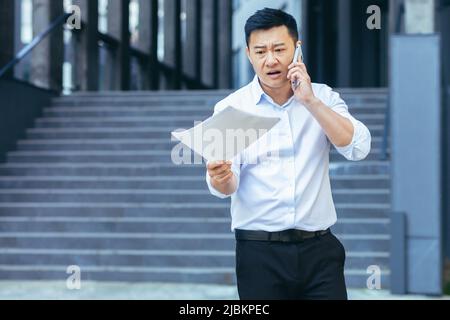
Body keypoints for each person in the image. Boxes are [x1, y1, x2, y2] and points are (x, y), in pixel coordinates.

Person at [206, 7, 371, 300]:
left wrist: (309, 101)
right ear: (248, 54)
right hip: (259, 254)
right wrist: (220, 177)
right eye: (260, 52)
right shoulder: (232, 108)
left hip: (320, 252)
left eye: (279, 49)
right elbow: (225, 187)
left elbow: (358, 148)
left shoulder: (324, 96)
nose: (270, 60)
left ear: (297, 49)